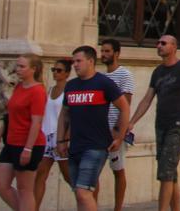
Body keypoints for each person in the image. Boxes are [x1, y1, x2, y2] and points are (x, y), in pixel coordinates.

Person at [127, 34, 180, 211]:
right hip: (160, 126)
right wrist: (132, 122)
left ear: (174, 47)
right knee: (170, 174)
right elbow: (147, 99)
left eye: (163, 43)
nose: (159, 46)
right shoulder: (158, 72)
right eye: (158, 42)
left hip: (177, 127)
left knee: (165, 173)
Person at [55, 46, 130, 211]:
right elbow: (64, 115)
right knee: (79, 193)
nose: (75, 65)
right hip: (75, 146)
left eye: (78, 61)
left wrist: (119, 135)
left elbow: (124, 107)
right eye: (73, 61)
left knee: (83, 192)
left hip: (96, 146)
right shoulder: (71, 86)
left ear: (90, 61)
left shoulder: (103, 83)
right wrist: (60, 141)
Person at [0, 55, 46, 210]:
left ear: (33, 69)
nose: (18, 69)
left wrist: (28, 149)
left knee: (25, 190)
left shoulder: (38, 91)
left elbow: (36, 122)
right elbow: (10, 114)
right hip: (11, 143)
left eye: (22, 66)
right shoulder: (19, 87)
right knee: (0, 184)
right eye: (18, 66)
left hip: (28, 144)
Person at [98, 39, 135, 211]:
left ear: (116, 53)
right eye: (102, 51)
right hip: (100, 131)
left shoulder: (124, 75)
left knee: (117, 169)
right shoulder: (101, 77)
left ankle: (118, 208)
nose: (103, 54)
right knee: (93, 172)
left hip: (115, 131)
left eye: (107, 51)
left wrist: (118, 132)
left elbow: (125, 104)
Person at [34, 59, 72, 208]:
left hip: (60, 137)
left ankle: (86, 203)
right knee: (40, 174)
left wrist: (66, 138)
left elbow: (70, 116)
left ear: (67, 73)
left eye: (59, 70)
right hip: (46, 136)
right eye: (53, 70)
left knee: (68, 175)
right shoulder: (49, 90)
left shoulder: (69, 91)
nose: (55, 73)